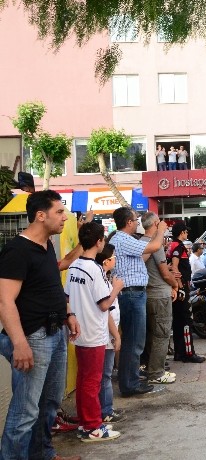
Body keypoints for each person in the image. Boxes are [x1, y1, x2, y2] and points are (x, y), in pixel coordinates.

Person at [0, 190, 82, 460]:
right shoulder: (17, 251)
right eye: (59, 212)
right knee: (25, 413)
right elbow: (4, 301)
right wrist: (20, 343)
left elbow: (50, 287)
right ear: (40, 215)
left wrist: (68, 313)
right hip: (33, 337)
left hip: (55, 331)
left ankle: (43, 455)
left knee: (49, 405)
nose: (64, 217)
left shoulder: (47, 245)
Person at [65, 222, 123, 442]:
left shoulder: (74, 266)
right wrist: (116, 288)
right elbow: (103, 304)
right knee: (92, 381)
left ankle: (85, 422)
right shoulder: (94, 269)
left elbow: (67, 297)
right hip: (93, 332)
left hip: (80, 331)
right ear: (100, 242)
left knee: (84, 380)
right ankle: (92, 426)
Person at [108, 206, 168, 397]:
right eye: (135, 219)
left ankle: (130, 378)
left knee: (133, 341)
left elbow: (143, 255)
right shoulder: (123, 239)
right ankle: (130, 384)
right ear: (128, 222)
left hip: (133, 294)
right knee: (134, 341)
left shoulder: (124, 240)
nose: (137, 223)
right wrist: (160, 231)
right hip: (131, 294)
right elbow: (154, 247)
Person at [140, 212, 179, 385]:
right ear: (156, 224)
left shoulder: (140, 242)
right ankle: (156, 372)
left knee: (150, 334)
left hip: (146, 294)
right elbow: (164, 273)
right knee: (162, 335)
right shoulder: (154, 245)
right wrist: (175, 284)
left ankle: (150, 367)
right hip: (159, 295)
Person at [94, 244, 125, 425]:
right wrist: (116, 289)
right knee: (104, 374)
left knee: (104, 373)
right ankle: (105, 410)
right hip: (105, 334)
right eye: (113, 256)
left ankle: (105, 409)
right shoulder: (103, 281)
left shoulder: (105, 278)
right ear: (106, 260)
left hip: (108, 332)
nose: (115, 259)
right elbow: (105, 309)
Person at [168, 221, 206, 363]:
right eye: (186, 231)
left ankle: (179, 353)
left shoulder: (171, 245)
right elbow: (175, 267)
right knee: (186, 322)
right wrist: (179, 287)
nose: (187, 234)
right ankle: (189, 354)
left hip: (178, 289)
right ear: (182, 232)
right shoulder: (178, 246)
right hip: (181, 289)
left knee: (178, 322)